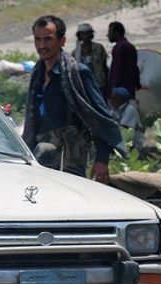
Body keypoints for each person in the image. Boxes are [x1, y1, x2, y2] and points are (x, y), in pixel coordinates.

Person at [22, 15, 126, 183]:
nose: (42, 46)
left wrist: (101, 159)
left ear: (62, 41)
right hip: (42, 154)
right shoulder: (38, 74)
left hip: (69, 157)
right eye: (38, 39)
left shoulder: (77, 73)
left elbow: (100, 116)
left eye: (48, 39)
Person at [109, 86, 149, 157]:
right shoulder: (115, 110)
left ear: (121, 99)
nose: (111, 100)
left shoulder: (130, 109)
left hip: (135, 141)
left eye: (114, 98)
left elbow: (124, 128)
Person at [106, 21, 140, 101]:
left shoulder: (119, 48)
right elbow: (135, 67)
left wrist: (114, 86)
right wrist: (137, 82)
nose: (108, 35)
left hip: (120, 87)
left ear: (116, 33)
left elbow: (117, 68)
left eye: (110, 32)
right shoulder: (130, 46)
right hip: (129, 86)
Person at [72, 23, 108, 93]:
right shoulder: (76, 52)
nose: (85, 36)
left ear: (91, 34)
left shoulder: (99, 48)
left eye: (87, 34)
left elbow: (104, 66)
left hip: (99, 83)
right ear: (79, 35)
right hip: (84, 85)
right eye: (83, 34)